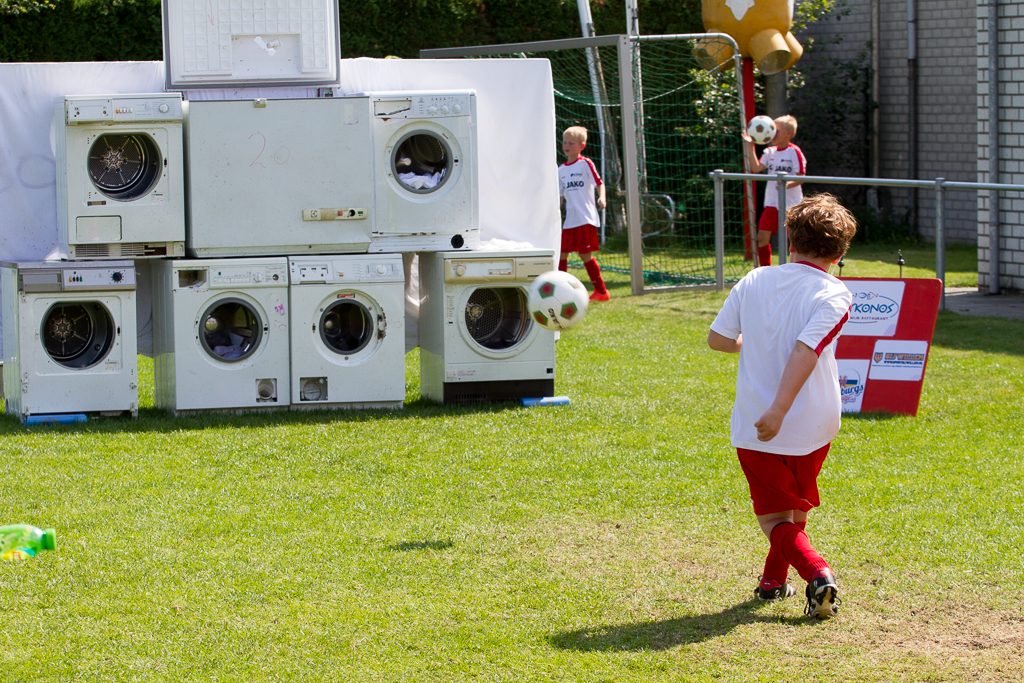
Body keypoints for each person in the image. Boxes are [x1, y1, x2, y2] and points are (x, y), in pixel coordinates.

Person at [707, 193, 857, 619]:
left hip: (761, 421)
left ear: (789, 236)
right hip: (818, 422)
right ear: (840, 251)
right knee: (794, 509)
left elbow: (719, 339)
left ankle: (818, 573)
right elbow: (808, 348)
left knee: (775, 521)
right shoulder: (836, 293)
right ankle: (773, 583)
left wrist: (775, 409)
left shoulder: (755, 279)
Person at [741, 115, 806, 267]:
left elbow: (801, 178)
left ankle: (794, 269)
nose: (771, 134)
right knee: (762, 236)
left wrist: (785, 184)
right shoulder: (769, 151)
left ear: (788, 134)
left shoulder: (794, 152)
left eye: (775, 131)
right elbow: (756, 168)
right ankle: (765, 271)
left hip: (792, 204)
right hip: (772, 203)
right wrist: (750, 147)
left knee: (794, 240)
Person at [558, 126, 610, 301]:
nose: (566, 145)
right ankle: (560, 290)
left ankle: (601, 292)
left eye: (571, 143)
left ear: (581, 145)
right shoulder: (561, 170)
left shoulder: (585, 163)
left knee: (584, 255)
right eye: (564, 142)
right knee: (561, 253)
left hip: (585, 218)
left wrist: (602, 198)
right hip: (570, 221)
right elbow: (560, 197)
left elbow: (599, 183)